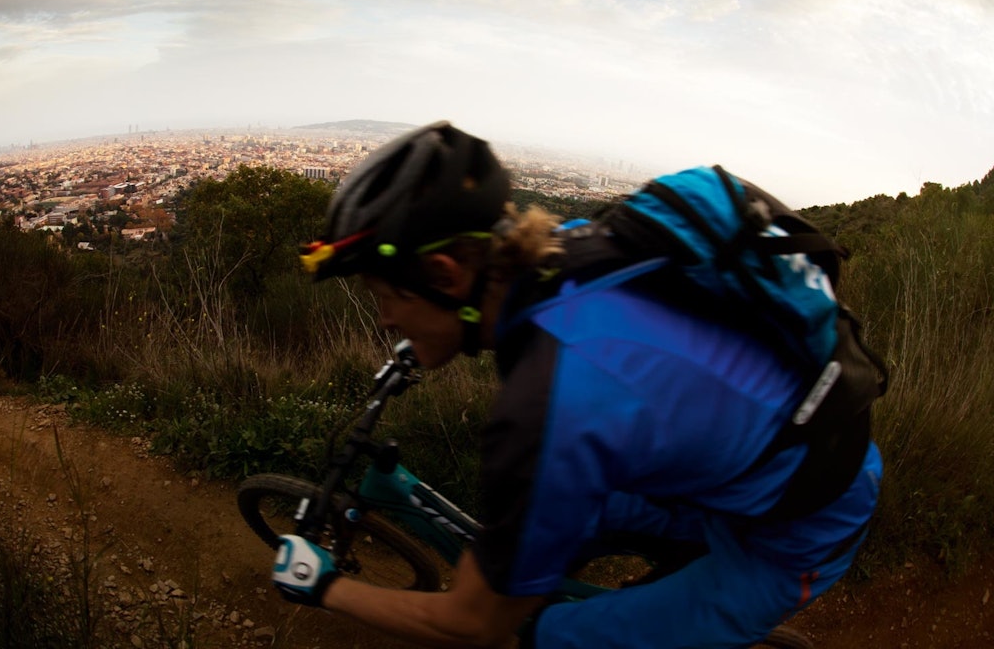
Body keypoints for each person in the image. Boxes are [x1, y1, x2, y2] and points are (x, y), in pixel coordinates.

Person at [276, 121, 882, 648]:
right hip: (764, 454)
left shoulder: (545, 410)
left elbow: (471, 626)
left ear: (444, 272)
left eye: (385, 296)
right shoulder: (573, 249)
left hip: (799, 527)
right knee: (540, 530)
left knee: (550, 637)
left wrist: (325, 586)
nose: (385, 321)